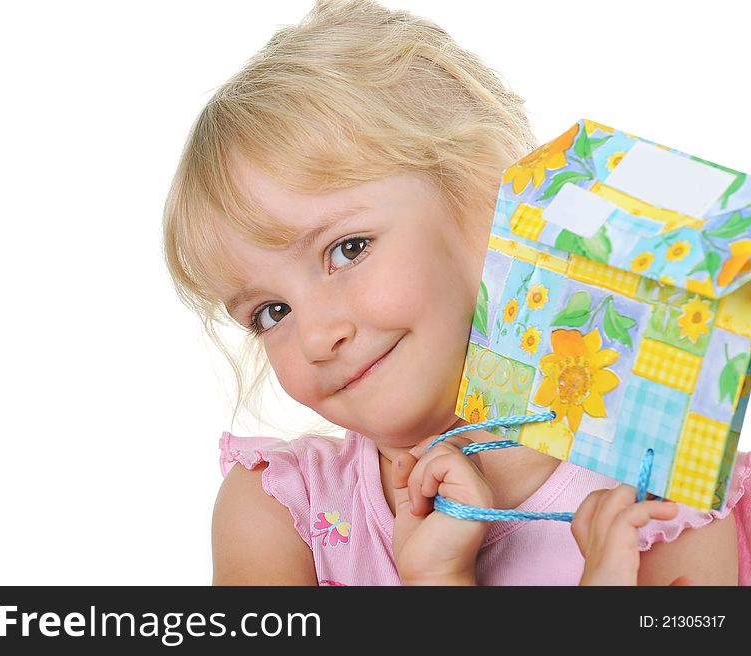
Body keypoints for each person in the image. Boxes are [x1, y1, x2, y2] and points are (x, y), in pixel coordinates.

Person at [162, 0, 750, 585]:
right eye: (271, 312)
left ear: (485, 199)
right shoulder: (278, 513)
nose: (316, 336)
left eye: (348, 249)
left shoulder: (659, 502)